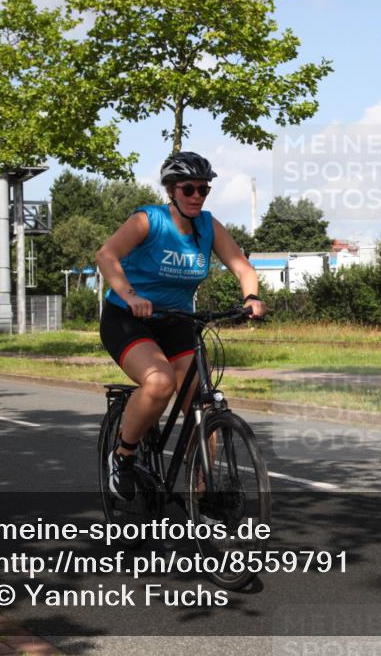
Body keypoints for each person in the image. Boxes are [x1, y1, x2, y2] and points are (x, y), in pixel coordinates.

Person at [96, 151, 266, 500]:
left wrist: (251, 298)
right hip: (129, 318)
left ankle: (204, 494)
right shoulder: (149, 220)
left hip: (177, 321)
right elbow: (106, 255)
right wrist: (129, 295)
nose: (197, 197)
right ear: (171, 190)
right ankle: (123, 457)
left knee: (202, 404)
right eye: (189, 189)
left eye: (204, 190)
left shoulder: (208, 226)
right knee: (159, 383)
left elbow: (243, 267)